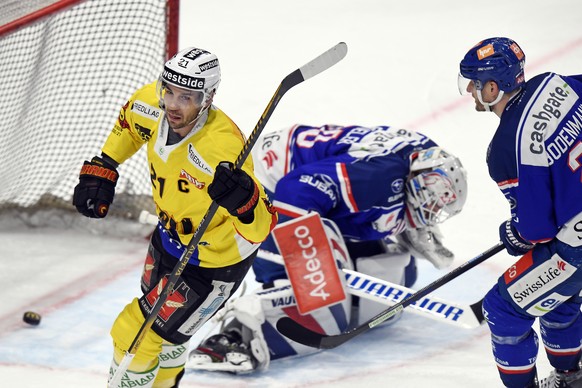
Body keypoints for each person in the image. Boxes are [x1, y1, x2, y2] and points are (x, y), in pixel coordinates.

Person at [186, 124, 468, 373]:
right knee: (321, 310)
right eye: (432, 204)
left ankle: (324, 295)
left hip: (310, 185)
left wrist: (412, 224)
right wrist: (315, 262)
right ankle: (236, 334)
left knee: (395, 272)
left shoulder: (422, 157)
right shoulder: (376, 179)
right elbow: (294, 191)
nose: (432, 212)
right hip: (263, 188)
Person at [72, 46, 277, 387]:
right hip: (167, 239)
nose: (172, 104)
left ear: (208, 97)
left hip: (213, 260)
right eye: (168, 90)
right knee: (166, 341)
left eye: (187, 96)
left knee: (134, 332)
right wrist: (106, 164)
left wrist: (244, 200)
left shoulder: (221, 147)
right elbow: (128, 126)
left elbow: (260, 228)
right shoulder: (149, 104)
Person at [458, 37, 582, 388]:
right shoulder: (553, 82)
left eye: (475, 82)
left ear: (494, 87)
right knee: (556, 291)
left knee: (501, 308)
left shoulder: (506, 147)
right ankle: (572, 376)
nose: (469, 89)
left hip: (577, 247)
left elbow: (536, 229)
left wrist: (513, 234)